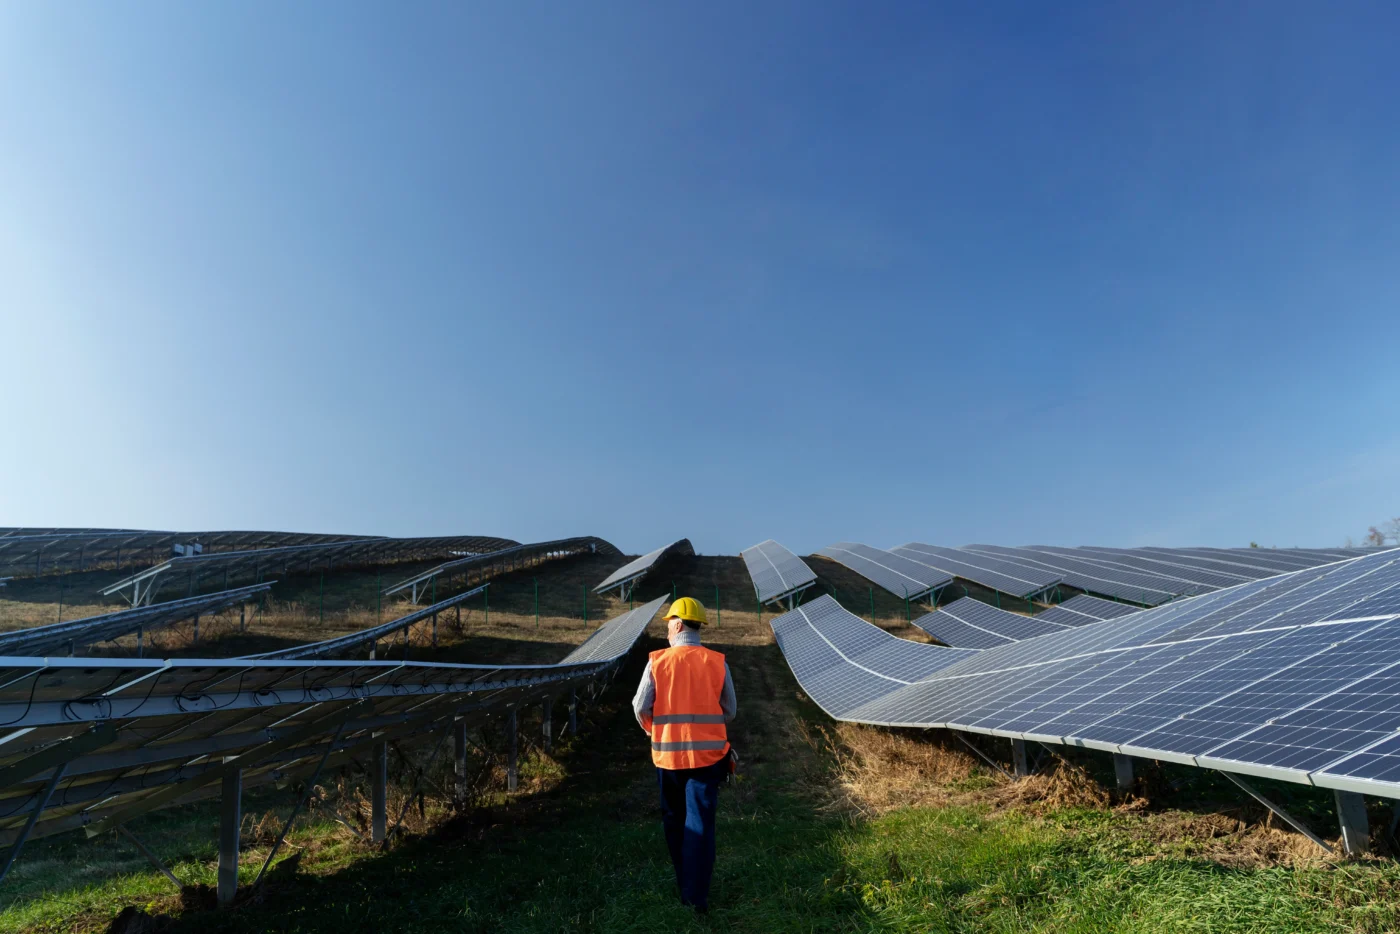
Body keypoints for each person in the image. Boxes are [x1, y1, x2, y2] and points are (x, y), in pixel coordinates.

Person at [632, 596, 737, 913]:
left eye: (668, 625)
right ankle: (697, 896)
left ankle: (685, 886)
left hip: (668, 760)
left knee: (675, 822)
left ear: (677, 624)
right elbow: (730, 710)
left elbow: (640, 706)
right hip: (708, 761)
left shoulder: (658, 662)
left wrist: (654, 729)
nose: (666, 631)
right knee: (701, 825)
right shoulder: (717, 662)